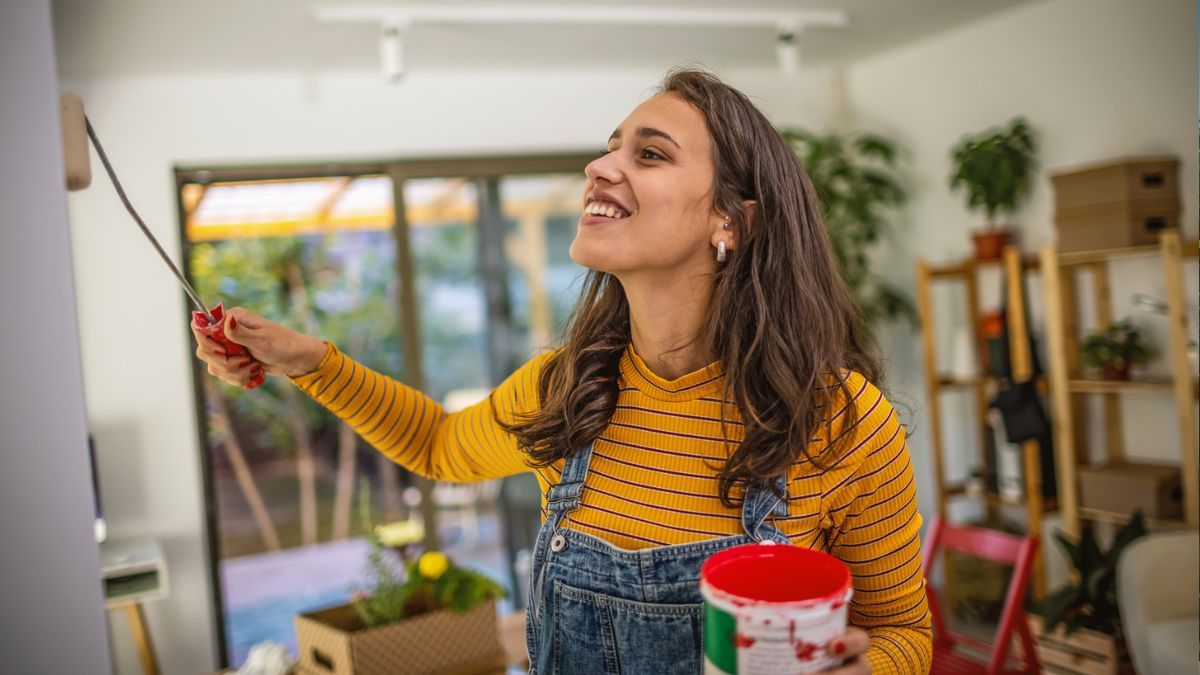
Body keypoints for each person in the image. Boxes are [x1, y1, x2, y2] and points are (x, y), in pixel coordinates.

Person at [193, 68, 932, 674]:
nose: (599, 165)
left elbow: (905, 630)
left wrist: (867, 669)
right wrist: (307, 362)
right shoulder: (571, 388)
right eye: (611, 147)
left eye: (649, 153)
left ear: (731, 223)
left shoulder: (841, 420)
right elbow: (440, 445)